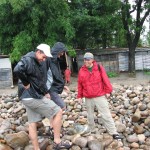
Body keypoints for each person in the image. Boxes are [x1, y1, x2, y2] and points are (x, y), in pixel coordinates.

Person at [14, 43, 71, 150]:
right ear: (38, 52)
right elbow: (17, 69)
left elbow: (38, 81)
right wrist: (26, 83)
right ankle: (57, 142)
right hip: (32, 96)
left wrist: (45, 92)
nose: (44, 60)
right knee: (58, 111)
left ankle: (36, 148)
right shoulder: (29, 59)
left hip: (26, 97)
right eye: (44, 57)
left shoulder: (36, 61)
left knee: (32, 123)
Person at [77, 52, 122, 140]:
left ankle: (113, 132)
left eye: (88, 59)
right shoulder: (81, 70)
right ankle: (91, 130)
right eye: (85, 59)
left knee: (106, 114)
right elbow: (80, 84)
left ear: (92, 60)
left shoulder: (98, 67)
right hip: (88, 97)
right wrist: (79, 96)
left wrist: (109, 91)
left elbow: (105, 79)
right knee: (90, 115)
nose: (86, 61)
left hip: (99, 95)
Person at [47, 42, 70, 110]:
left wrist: (63, 86)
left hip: (53, 88)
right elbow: (52, 77)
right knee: (62, 106)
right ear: (58, 51)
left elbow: (57, 76)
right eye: (62, 52)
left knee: (55, 108)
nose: (62, 54)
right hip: (49, 89)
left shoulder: (55, 61)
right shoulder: (48, 61)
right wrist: (45, 91)